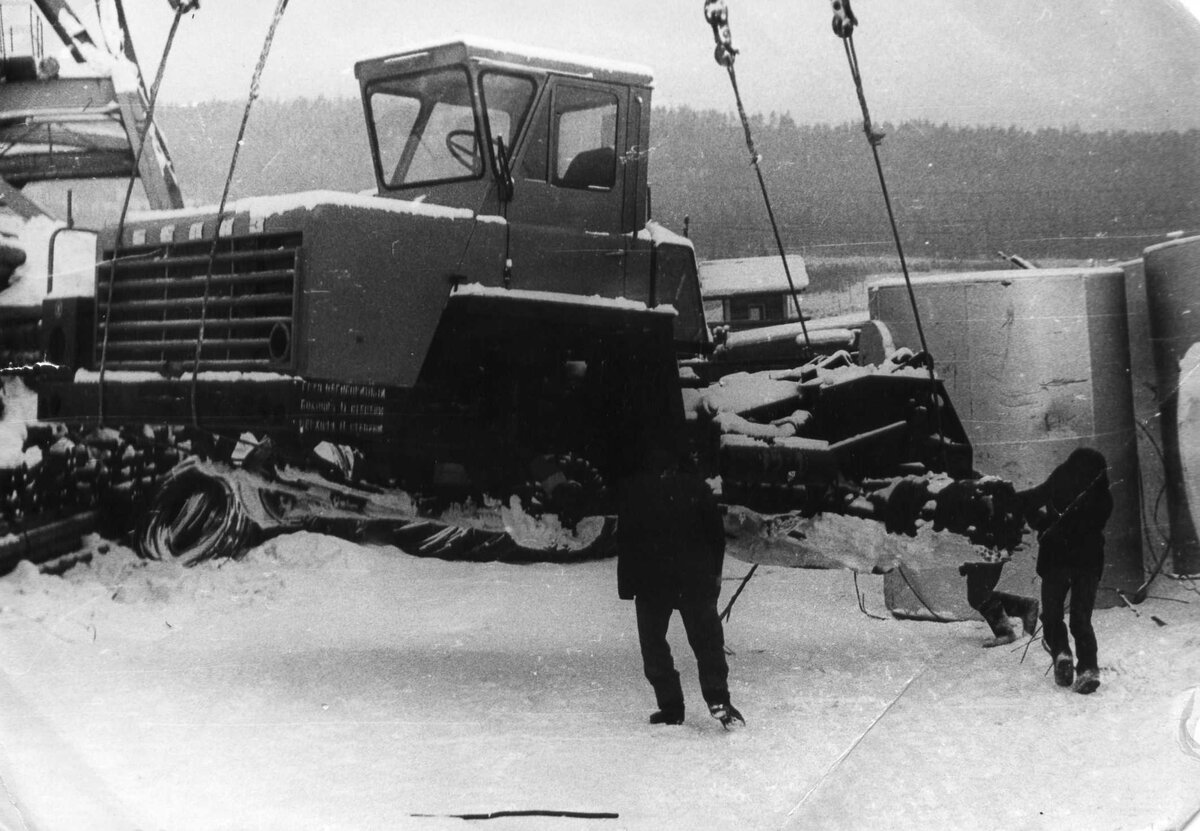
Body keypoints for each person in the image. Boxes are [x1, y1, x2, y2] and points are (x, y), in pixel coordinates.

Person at [615, 448, 744, 728]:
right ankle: (718, 700)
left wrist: (628, 586)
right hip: (693, 579)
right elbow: (716, 538)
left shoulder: (637, 489)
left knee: (653, 647)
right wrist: (715, 578)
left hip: (652, 582)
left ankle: (671, 707)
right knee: (707, 643)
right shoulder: (697, 488)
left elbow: (626, 539)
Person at [1019, 447, 1112, 695]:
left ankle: (1061, 653)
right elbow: (1091, 524)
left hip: (1056, 560)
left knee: (1052, 615)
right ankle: (1088, 669)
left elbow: (1028, 501)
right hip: (1088, 563)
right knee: (1081, 619)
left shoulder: (1059, 480)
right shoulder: (1104, 496)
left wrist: (1040, 523)